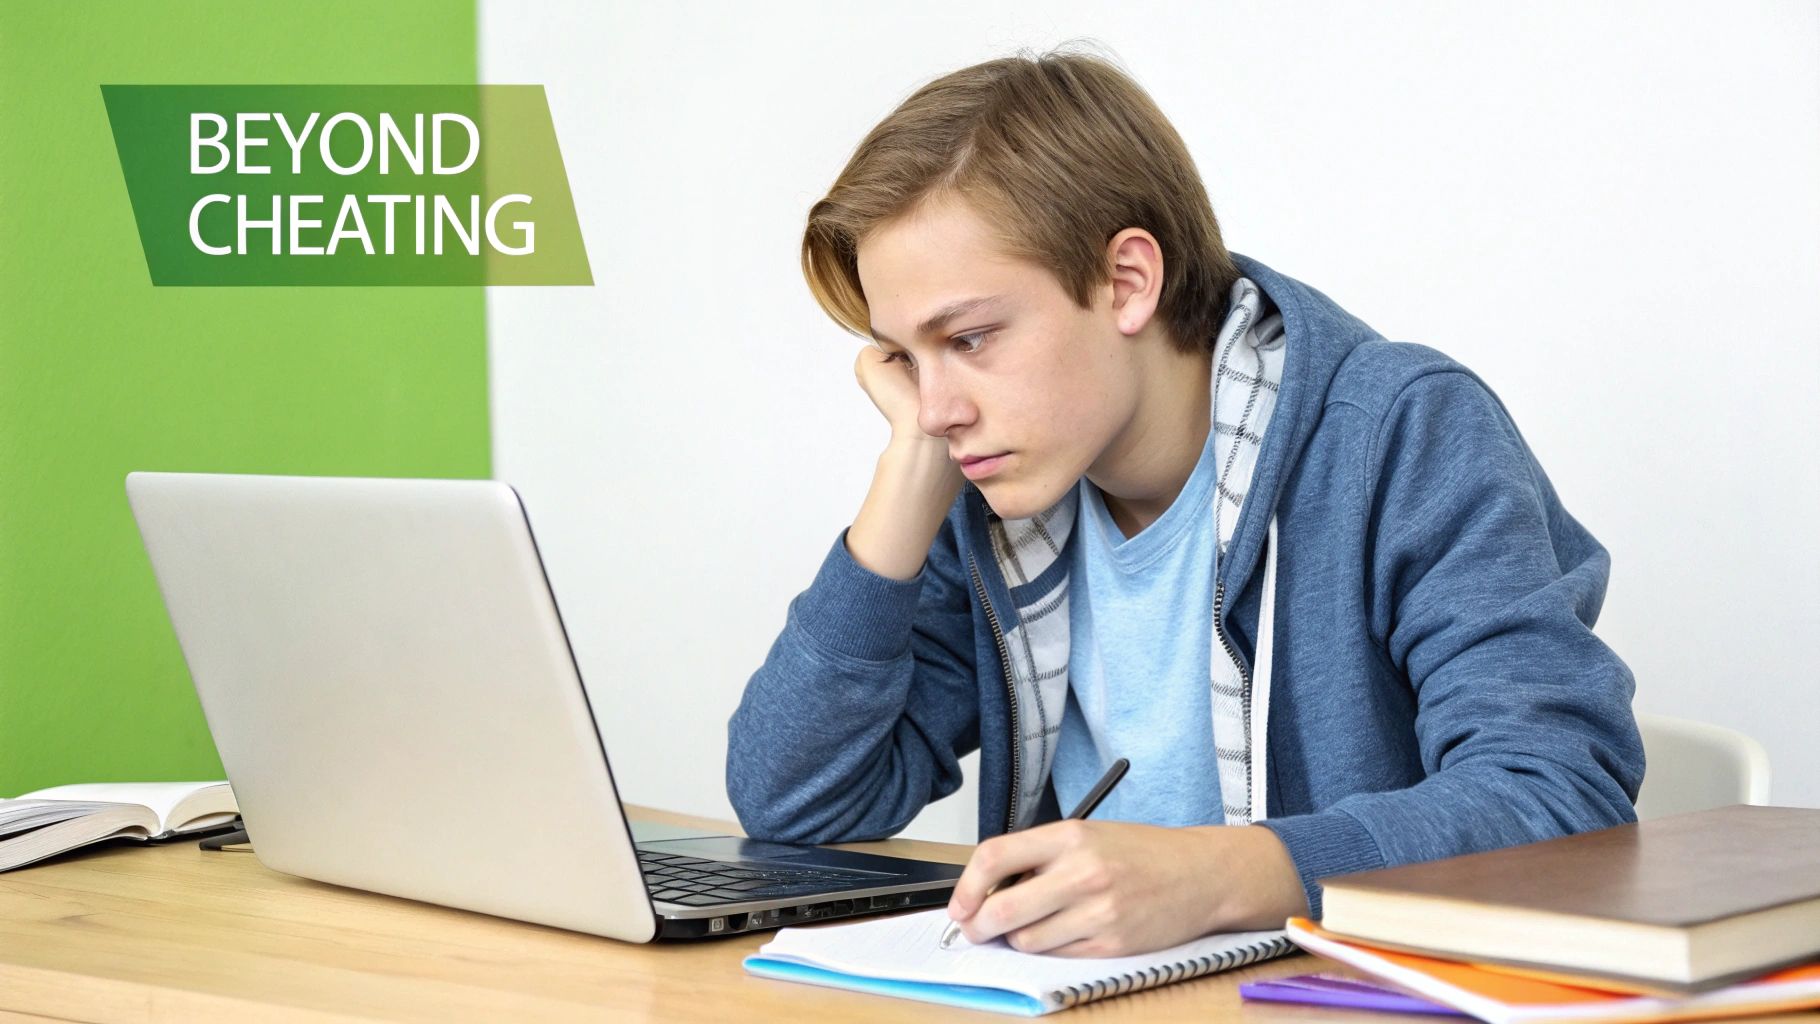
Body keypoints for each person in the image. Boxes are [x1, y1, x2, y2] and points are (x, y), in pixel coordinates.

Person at [725, 45, 1644, 959]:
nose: (937, 407)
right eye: (904, 358)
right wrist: (906, 477)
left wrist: (1219, 876)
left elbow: (1557, 793)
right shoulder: (988, 494)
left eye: (968, 338)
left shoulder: (1399, 434)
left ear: (1128, 281)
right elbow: (796, 801)